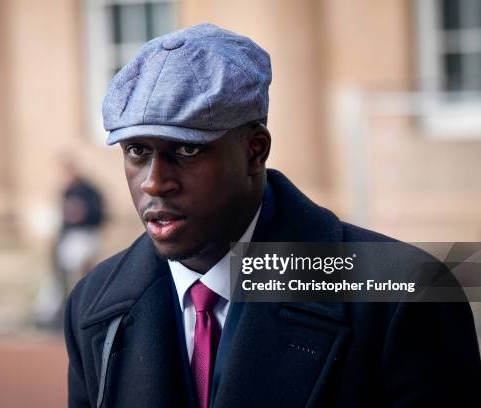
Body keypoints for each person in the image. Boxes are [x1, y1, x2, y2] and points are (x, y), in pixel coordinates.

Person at [64, 24, 480, 407]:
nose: (154, 183)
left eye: (187, 149)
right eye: (137, 151)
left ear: (255, 150)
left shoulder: (403, 294)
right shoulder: (93, 302)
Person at [34, 159, 104, 329]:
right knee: (60, 278)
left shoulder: (89, 190)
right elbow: (61, 218)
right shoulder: (66, 191)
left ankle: (85, 309)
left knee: (83, 275)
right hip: (68, 239)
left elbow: (98, 215)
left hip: (85, 236)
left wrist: (83, 215)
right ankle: (59, 313)